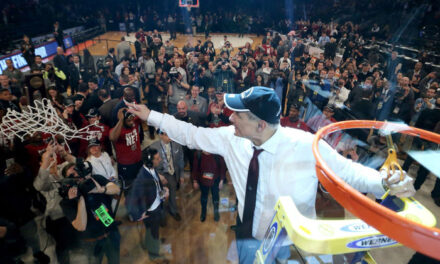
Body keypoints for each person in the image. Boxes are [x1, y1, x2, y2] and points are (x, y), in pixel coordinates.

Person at [127, 86, 415, 264]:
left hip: (292, 244)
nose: (230, 119)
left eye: (237, 115)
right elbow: (191, 135)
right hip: (247, 235)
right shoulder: (231, 138)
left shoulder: (306, 146)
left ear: (260, 125)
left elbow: (348, 172)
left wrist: (385, 183)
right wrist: (151, 115)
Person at [59, 159, 121, 264]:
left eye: (77, 170)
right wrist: (80, 199)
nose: (76, 174)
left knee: (115, 260)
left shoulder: (95, 180)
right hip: (92, 242)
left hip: (111, 232)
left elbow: (116, 189)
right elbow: (80, 226)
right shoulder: (67, 201)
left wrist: (102, 190)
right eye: (71, 175)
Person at [126, 148, 169, 263]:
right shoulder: (142, 178)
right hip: (151, 212)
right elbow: (132, 198)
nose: (160, 160)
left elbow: (154, 186)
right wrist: (138, 214)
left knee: (151, 231)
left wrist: (162, 191)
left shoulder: (150, 169)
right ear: (149, 161)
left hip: (156, 206)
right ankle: (154, 255)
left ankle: (150, 243)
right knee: (153, 232)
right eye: (157, 158)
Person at [150, 130, 184, 222]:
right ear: (161, 135)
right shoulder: (153, 147)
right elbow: (150, 166)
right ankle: (161, 216)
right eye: (167, 135)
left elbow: (181, 160)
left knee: (172, 194)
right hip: (160, 175)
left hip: (173, 175)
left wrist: (181, 175)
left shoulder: (177, 144)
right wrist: (159, 176)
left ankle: (174, 211)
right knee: (161, 196)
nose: (170, 137)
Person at [192, 150, 226, 222]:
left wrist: (222, 180)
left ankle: (216, 212)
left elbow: (222, 166)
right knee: (204, 197)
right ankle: (203, 212)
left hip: (215, 180)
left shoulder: (217, 152)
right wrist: (195, 180)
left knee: (215, 196)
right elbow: (195, 168)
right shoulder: (198, 154)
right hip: (203, 181)